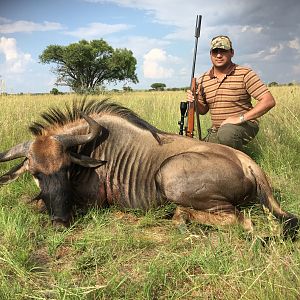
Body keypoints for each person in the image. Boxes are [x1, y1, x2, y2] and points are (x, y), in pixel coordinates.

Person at [187, 35, 276, 151]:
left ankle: (239, 164)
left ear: (232, 53)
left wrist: (239, 118)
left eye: (223, 51)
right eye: (215, 51)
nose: (219, 55)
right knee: (196, 150)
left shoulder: (245, 73)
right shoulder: (203, 79)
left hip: (244, 125)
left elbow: (269, 101)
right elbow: (203, 110)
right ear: (210, 54)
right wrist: (194, 101)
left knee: (226, 134)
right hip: (217, 130)